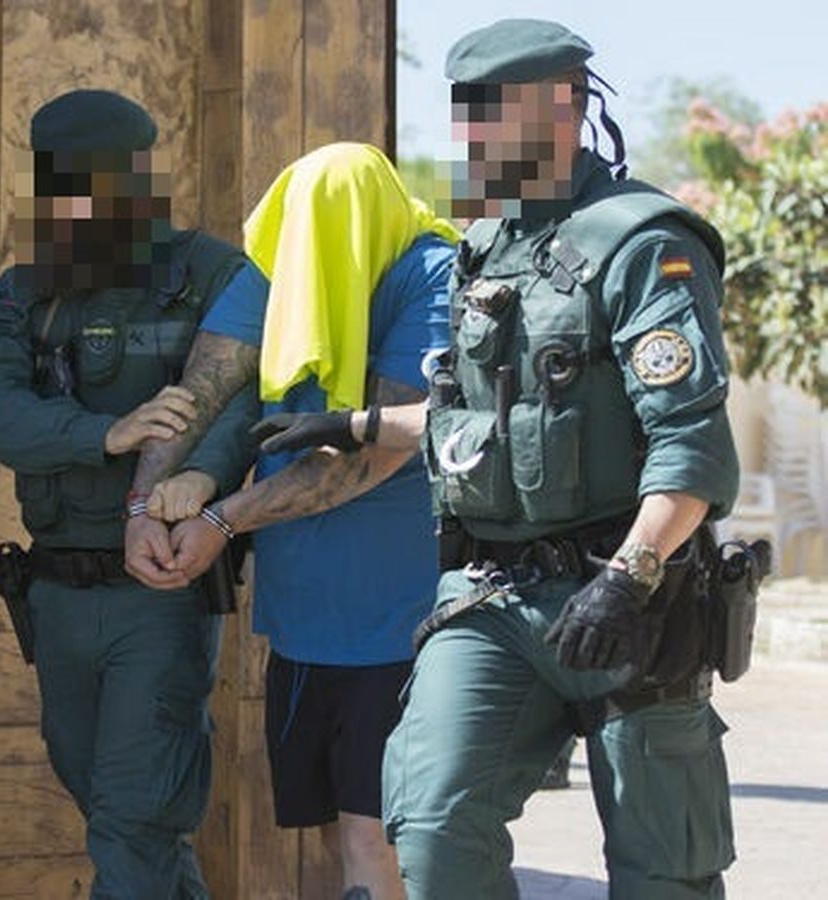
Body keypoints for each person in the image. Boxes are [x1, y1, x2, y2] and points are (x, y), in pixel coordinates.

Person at [266, 19, 741, 898]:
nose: (473, 138)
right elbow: (476, 425)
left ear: (564, 108)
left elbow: (694, 449)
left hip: (631, 599)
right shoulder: (486, 248)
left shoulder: (644, 243)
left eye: (493, 115)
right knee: (435, 828)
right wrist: (361, 423)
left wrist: (628, 577)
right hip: (493, 596)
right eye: (467, 116)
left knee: (661, 871)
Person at [122, 142, 457, 900]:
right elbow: (204, 385)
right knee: (344, 833)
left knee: (386, 834)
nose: (312, 252)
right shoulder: (283, 261)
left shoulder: (432, 273)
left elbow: (368, 457)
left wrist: (221, 519)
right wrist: (143, 502)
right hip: (304, 618)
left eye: (329, 233)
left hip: (401, 620)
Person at [0, 89, 260, 898]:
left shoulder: (211, 274)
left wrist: (193, 482)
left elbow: (237, 408)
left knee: (134, 816)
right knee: (119, 818)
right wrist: (105, 434)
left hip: (157, 593)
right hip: (56, 592)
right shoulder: (27, 291)